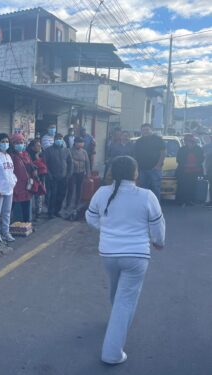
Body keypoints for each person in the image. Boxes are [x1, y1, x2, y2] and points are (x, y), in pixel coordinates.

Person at [85, 156, 165, 365]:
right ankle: (112, 353)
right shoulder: (147, 196)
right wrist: (158, 242)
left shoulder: (102, 193)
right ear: (135, 173)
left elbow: (91, 217)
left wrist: (108, 230)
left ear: (112, 173)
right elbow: (158, 226)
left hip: (108, 253)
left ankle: (116, 321)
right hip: (136, 255)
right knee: (125, 301)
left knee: (116, 292)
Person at [133, 124, 166, 200]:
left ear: (151, 130)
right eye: (143, 130)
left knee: (155, 188)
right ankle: (144, 206)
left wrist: (158, 165)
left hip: (155, 169)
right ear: (141, 131)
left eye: (147, 129)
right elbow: (135, 156)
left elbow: (163, 153)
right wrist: (137, 168)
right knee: (143, 189)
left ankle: (156, 207)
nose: (145, 131)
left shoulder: (158, 139)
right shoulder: (138, 141)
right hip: (142, 169)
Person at [43, 133, 72, 219]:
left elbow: (70, 163)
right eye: (57, 138)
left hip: (63, 177)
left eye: (60, 138)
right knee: (53, 195)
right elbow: (44, 164)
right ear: (54, 140)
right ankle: (50, 212)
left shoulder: (66, 150)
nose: (59, 140)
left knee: (61, 195)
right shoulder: (48, 150)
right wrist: (49, 175)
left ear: (62, 140)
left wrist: (68, 174)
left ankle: (57, 211)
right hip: (53, 178)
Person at [9, 133, 34, 222]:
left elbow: (31, 165)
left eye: (22, 142)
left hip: (26, 185)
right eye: (17, 143)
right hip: (15, 185)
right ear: (12, 144)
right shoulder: (10, 156)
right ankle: (5, 227)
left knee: (26, 204)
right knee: (11, 205)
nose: (20, 144)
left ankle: (27, 225)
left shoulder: (26, 154)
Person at [176, 134, 204, 207]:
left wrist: (195, 165)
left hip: (194, 172)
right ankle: (181, 201)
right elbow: (178, 159)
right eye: (187, 141)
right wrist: (185, 165)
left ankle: (190, 201)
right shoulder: (182, 149)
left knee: (192, 186)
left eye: (192, 141)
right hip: (183, 172)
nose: (190, 142)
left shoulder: (198, 149)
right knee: (182, 187)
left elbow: (201, 159)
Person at [66, 137, 91, 210]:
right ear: (75, 142)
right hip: (72, 172)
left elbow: (87, 163)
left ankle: (77, 204)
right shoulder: (69, 151)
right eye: (79, 142)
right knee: (70, 189)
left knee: (79, 189)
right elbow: (67, 162)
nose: (81, 144)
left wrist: (88, 173)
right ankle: (68, 204)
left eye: (82, 142)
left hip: (81, 172)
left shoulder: (84, 152)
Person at [27, 139, 47, 220]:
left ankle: (38, 213)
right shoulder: (28, 154)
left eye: (40, 145)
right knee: (31, 195)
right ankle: (30, 213)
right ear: (32, 147)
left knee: (39, 196)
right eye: (38, 145)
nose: (40, 147)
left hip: (41, 178)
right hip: (31, 179)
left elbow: (44, 165)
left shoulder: (41, 154)